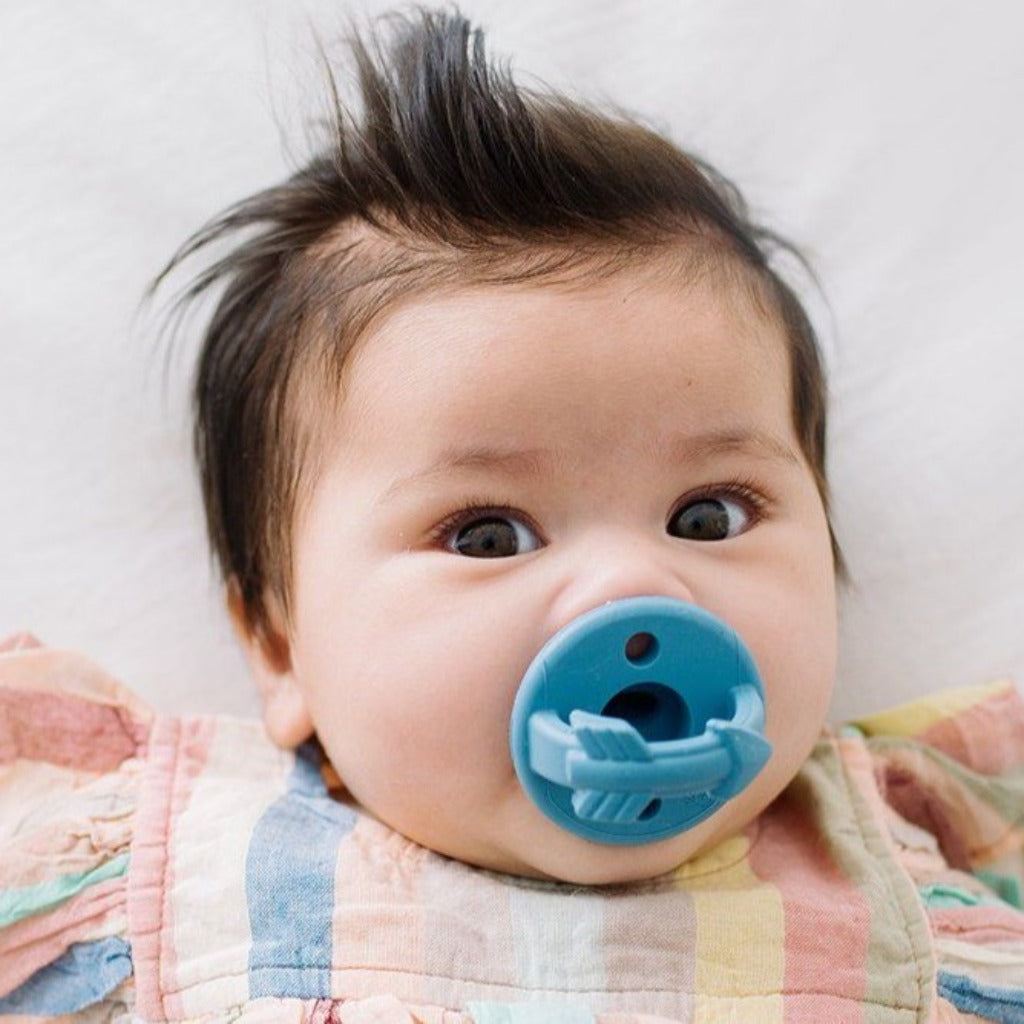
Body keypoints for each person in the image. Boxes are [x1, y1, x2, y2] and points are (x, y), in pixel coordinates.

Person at [2, 9, 1022, 1021]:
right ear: (280, 646)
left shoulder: (923, 853)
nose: (633, 586)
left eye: (708, 517)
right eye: (487, 535)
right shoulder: (160, 875)